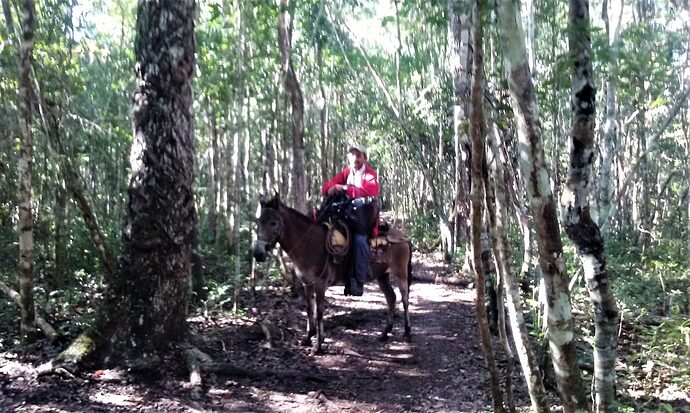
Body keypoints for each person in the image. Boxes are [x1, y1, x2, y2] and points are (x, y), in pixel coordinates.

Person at [321, 143, 380, 296]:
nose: (355, 158)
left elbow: (370, 190)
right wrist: (331, 188)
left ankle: (359, 281)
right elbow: (327, 186)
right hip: (347, 215)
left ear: (365, 158)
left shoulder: (370, 174)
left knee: (360, 239)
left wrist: (345, 188)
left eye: (358, 155)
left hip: (364, 220)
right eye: (353, 155)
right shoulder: (347, 172)